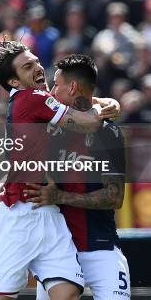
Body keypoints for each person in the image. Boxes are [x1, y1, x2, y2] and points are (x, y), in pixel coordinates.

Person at [0, 39, 120, 300]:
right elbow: (89, 122)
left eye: (35, 61)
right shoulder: (32, 98)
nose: (37, 68)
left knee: (66, 291)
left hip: (49, 213)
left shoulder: (36, 101)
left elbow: (80, 100)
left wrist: (104, 101)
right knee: (0, 297)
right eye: (27, 67)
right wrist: (106, 105)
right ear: (14, 81)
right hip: (18, 216)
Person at [27, 54, 130, 300]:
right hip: (57, 254)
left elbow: (115, 198)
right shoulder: (47, 128)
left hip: (101, 248)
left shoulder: (109, 134)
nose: (51, 91)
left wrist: (60, 196)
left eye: (56, 84)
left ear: (72, 87)